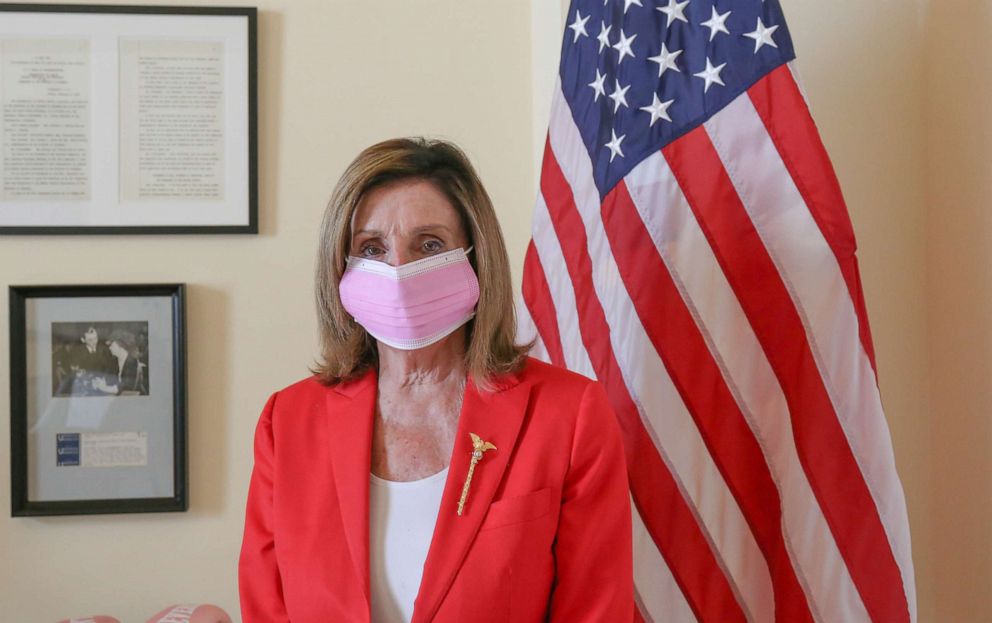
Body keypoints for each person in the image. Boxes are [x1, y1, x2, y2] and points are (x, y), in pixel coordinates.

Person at [239, 138, 632, 622]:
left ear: (475, 256)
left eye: (429, 244)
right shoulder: (288, 422)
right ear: (340, 268)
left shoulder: (568, 415)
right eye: (372, 248)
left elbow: (594, 609)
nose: (400, 270)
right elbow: (267, 608)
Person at [92, 330, 144, 395]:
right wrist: (102, 382)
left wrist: (104, 388)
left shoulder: (132, 363)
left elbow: (127, 387)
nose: (110, 348)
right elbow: (111, 380)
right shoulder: (115, 360)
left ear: (121, 346)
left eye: (112, 345)